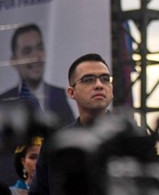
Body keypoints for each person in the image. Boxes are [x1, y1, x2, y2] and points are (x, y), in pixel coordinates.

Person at [0, 24, 75, 185]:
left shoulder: (61, 97)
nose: (35, 56)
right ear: (13, 60)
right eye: (27, 51)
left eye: (39, 48)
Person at [29, 53, 114, 195]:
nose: (99, 85)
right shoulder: (57, 144)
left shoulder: (131, 139)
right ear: (71, 92)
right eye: (88, 79)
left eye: (105, 79)